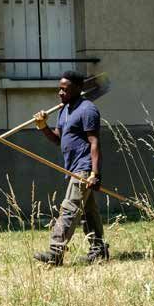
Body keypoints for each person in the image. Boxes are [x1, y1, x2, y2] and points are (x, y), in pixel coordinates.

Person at [33, 70, 109, 265]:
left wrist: (95, 173)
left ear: (78, 88)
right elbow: (57, 139)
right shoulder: (64, 110)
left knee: (70, 208)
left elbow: (94, 143)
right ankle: (99, 250)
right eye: (59, 89)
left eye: (65, 89)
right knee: (88, 212)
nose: (60, 92)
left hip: (84, 168)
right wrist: (43, 126)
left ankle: (55, 252)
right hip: (73, 167)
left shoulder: (88, 110)